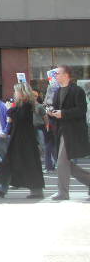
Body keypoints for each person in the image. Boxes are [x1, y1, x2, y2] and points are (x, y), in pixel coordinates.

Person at [0, 83, 45, 199]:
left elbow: (20, 118)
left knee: (29, 164)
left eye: (16, 91)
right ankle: (2, 187)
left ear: (22, 93)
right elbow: (14, 116)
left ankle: (36, 190)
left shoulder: (28, 105)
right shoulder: (21, 105)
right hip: (19, 138)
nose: (14, 93)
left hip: (25, 139)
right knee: (11, 162)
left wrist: (10, 109)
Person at [48, 65, 90, 201]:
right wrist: (51, 112)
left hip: (72, 132)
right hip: (60, 131)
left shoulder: (77, 91)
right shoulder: (57, 91)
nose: (56, 76)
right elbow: (55, 109)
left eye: (58, 73)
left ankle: (63, 192)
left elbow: (82, 110)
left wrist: (63, 113)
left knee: (61, 162)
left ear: (66, 75)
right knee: (64, 163)